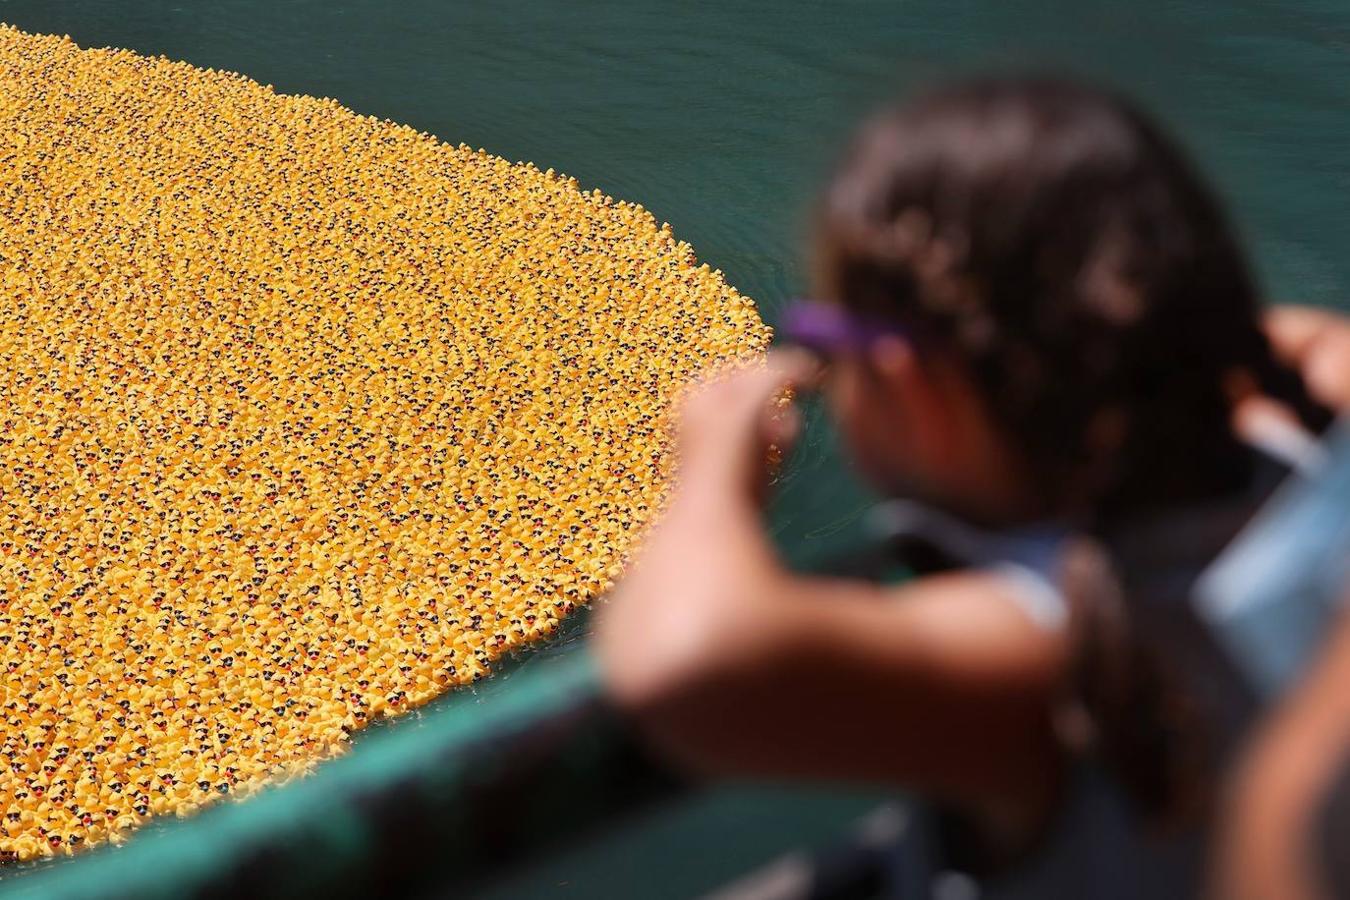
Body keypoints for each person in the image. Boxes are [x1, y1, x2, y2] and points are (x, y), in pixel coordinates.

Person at [595, 77, 1346, 895]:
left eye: (822, 337)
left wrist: (713, 462)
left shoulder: (1037, 650)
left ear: (910, 382)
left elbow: (688, 662)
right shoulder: (1297, 459)